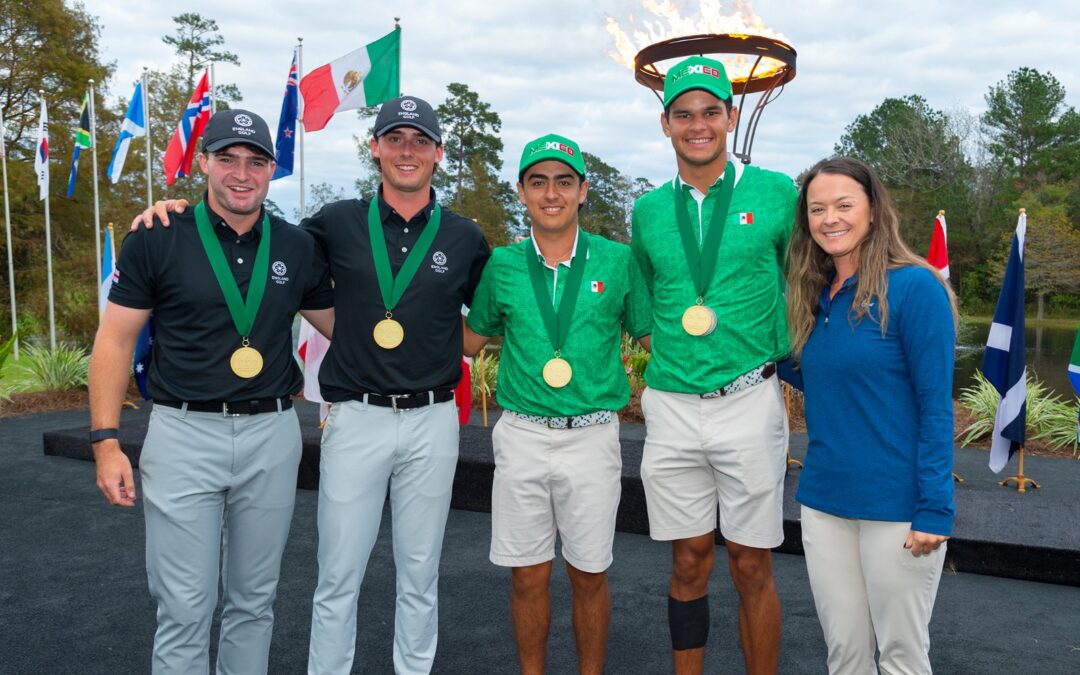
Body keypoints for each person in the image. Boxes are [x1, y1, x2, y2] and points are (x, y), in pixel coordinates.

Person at [131, 96, 490, 675]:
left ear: (438, 154)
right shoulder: (330, 225)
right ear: (374, 148)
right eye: (394, 139)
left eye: (420, 141)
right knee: (337, 576)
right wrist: (173, 209)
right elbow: (245, 232)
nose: (406, 150)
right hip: (355, 415)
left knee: (421, 572)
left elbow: (487, 317)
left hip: (432, 417)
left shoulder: (466, 237)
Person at [89, 109, 334, 674]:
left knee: (254, 602)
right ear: (204, 163)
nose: (241, 173)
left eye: (255, 161)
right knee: (184, 605)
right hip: (182, 433)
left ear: (273, 168)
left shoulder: (297, 247)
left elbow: (343, 326)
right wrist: (105, 442)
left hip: (272, 434)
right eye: (227, 158)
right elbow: (115, 340)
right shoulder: (158, 235)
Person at [629, 56, 796, 674]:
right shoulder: (647, 211)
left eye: (709, 112)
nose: (697, 125)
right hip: (672, 406)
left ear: (729, 116)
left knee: (751, 562)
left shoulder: (777, 193)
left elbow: (804, 280)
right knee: (688, 558)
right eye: (683, 114)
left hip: (749, 400)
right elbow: (647, 307)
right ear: (666, 123)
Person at [463, 134, 649, 674]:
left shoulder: (617, 261)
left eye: (564, 182)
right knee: (527, 574)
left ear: (582, 190)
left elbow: (651, 338)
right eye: (538, 182)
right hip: (521, 433)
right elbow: (470, 342)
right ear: (521, 191)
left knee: (589, 572)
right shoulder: (501, 264)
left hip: (592, 435)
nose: (551, 193)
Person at [780, 157, 956, 674]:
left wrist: (935, 509)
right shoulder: (814, 294)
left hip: (897, 507)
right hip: (825, 502)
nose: (829, 218)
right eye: (817, 209)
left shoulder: (914, 288)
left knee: (900, 656)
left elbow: (934, 407)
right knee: (846, 655)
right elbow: (827, 377)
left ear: (874, 211)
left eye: (843, 205)